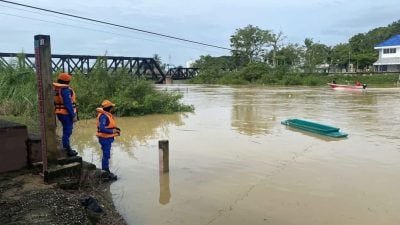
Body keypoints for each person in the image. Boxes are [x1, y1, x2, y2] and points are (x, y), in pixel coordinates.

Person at [53, 72, 78, 157]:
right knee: (67, 131)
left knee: (66, 131)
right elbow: (68, 104)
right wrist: (73, 115)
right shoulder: (66, 90)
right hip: (66, 114)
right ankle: (67, 150)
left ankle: (67, 148)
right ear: (67, 81)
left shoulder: (56, 89)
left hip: (60, 113)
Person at [96, 100, 120, 181]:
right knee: (106, 155)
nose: (112, 109)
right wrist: (112, 131)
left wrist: (115, 129)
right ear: (109, 108)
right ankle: (105, 173)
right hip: (105, 138)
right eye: (111, 107)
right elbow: (102, 128)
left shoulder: (106, 115)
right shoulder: (103, 116)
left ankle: (105, 171)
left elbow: (107, 126)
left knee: (106, 155)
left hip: (106, 138)